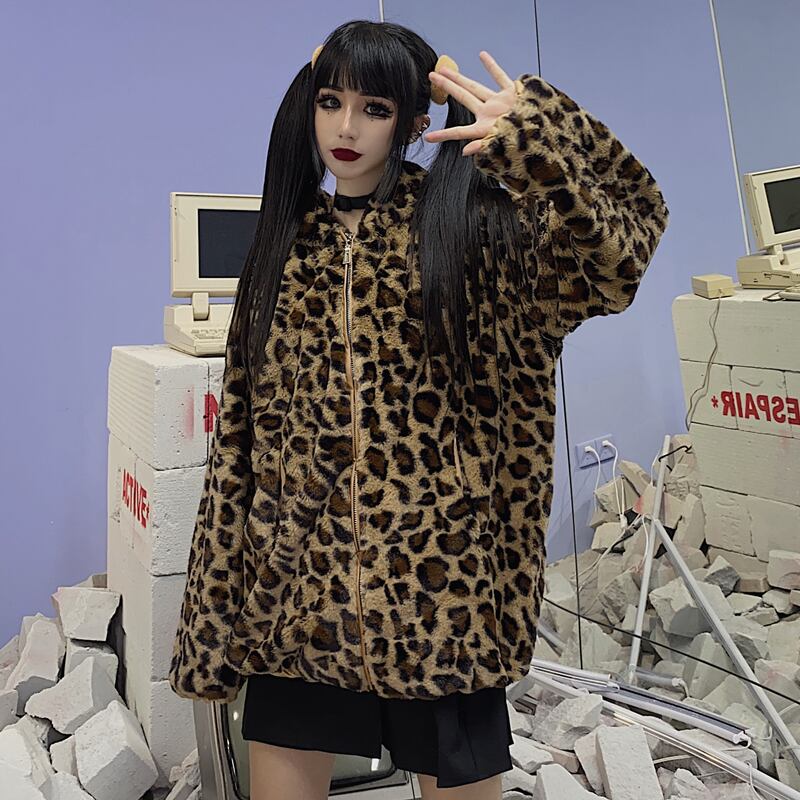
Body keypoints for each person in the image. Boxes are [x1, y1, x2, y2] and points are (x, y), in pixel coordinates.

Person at [169, 18, 669, 800]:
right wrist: (213, 620)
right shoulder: (284, 248)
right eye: (330, 101)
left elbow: (626, 247)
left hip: (446, 607)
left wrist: (540, 131)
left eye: (373, 107)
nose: (345, 127)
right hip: (298, 604)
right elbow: (237, 445)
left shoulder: (478, 234)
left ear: (413, 122)